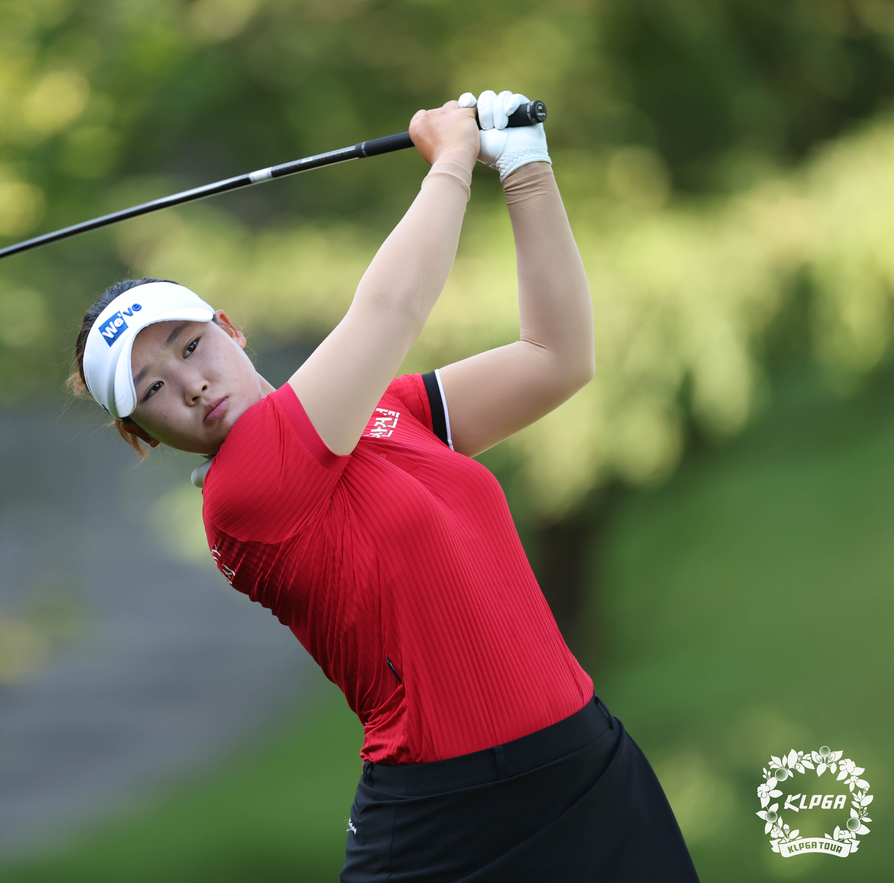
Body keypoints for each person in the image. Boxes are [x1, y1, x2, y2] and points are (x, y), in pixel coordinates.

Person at [67, 90, 700, 881]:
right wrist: (452, 159)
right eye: (153, 389)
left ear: (231, 327)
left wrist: (527, 167)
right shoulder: (243, 490)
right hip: (453, 823)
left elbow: (557, 357)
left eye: (191, 345)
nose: (191, 384)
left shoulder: (385, 409)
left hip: (588, 767)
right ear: (141, 435)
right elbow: (392, 306)